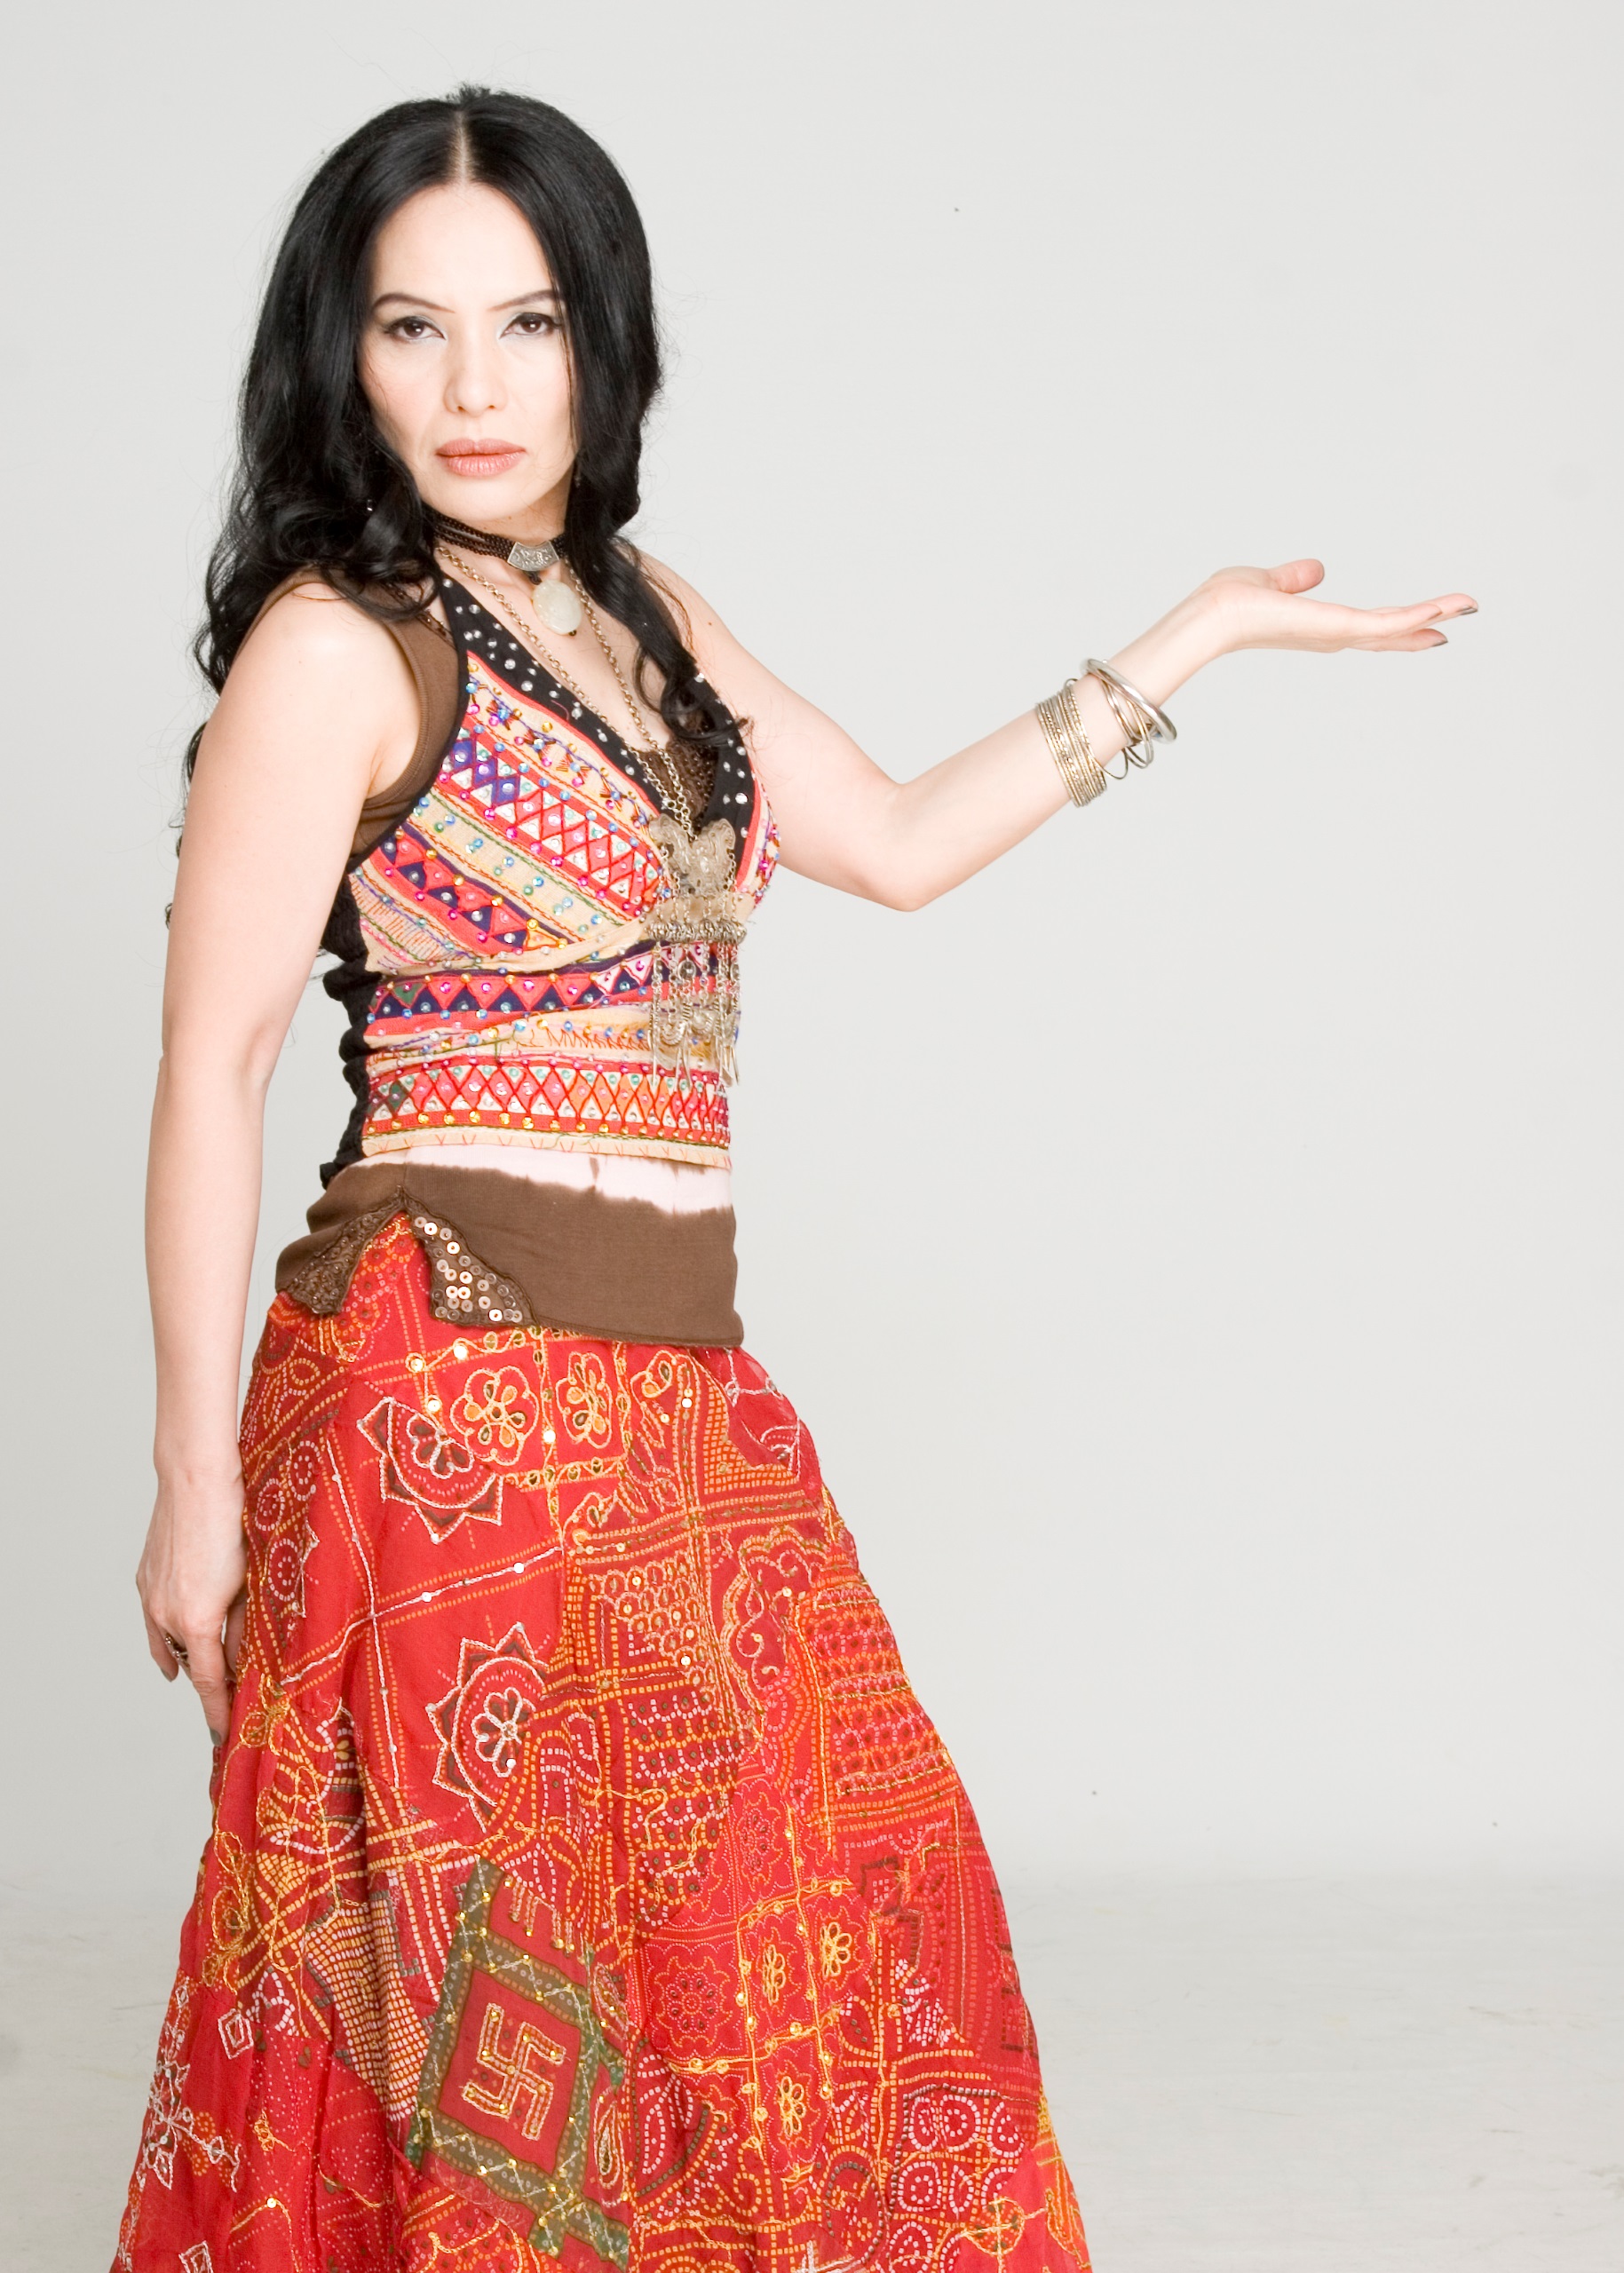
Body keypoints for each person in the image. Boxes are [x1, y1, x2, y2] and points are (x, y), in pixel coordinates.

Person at [116, 83, 1474, 2273]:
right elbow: (218, 1065)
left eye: (529, 324)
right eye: (412, 330)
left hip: (675, 1403)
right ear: (340, 359)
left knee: (830, 1954)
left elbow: (903, 841)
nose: (474, 390)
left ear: (604, 341)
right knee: (507, 2038)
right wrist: (193, 1485)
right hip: (444, 1408)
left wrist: (1195, 636)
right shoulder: (334, 645)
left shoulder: (639, 610)